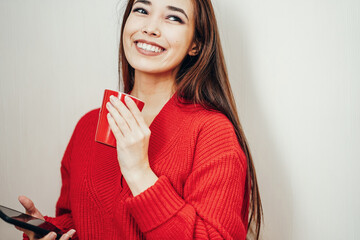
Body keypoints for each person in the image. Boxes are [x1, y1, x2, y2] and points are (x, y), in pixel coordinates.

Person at [18, 0, 263, 239]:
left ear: (196, 44)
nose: (150, 27)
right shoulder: (88, 125)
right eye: (142, 10)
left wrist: (139, 172)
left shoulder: (213, 133)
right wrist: (51, 230)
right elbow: (79, 219)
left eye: (173, 17)